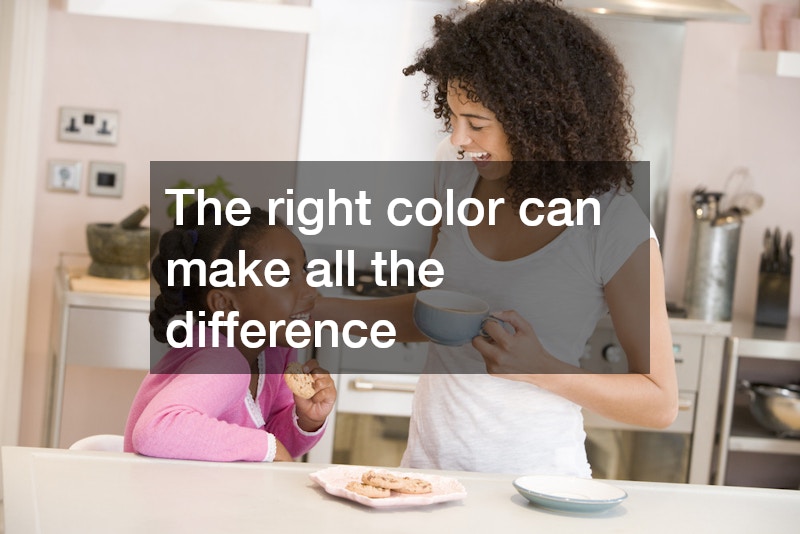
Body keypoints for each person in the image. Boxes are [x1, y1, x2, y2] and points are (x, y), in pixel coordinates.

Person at [313, 0, 677, 476]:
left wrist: (539, 366)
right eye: (453, 116)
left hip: (537, 496)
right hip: (427, 478)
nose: (459, 138)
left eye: (477, 123)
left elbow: (659, 401)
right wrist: (312, 309)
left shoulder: (613, 224)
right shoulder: (456, 170)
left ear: (539, 121)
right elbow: (433, 312)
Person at [124, 203, 336, 462]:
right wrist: (266, 447)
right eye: (283, 277)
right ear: (225, 304)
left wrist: (305, 419)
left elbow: (273, 443)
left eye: (304, 270)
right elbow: (156, 429)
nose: (310, 291)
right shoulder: (221, 361)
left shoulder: (274, 354)